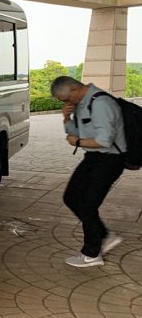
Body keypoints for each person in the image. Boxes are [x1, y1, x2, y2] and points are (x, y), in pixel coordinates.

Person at [50, 76, 126, 267]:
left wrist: (77, 142)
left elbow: (104, 141)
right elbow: (76, 132)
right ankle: (105, 235)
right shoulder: (82, 104)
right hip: (92, 158)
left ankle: (92, 254)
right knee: (71, 197)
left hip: (109, 160)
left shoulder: (101, 103)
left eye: (66, 99)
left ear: (74, 89)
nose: (66, 103)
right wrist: (67, 118)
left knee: (87, 205)